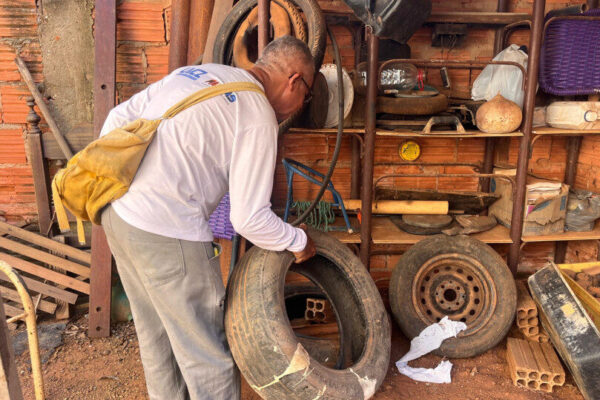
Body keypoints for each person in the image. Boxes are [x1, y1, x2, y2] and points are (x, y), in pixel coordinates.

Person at [98, 36, 317, 400]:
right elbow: (249, 218)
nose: (300, 106)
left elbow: (116, 119)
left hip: (120, 214)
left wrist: (136, 186)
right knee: (208, 358)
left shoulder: (199, 73)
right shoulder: (257, 111)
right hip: (168, 231)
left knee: (158, 341)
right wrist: (298, 241)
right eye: (306, 97)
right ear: (295, 80)